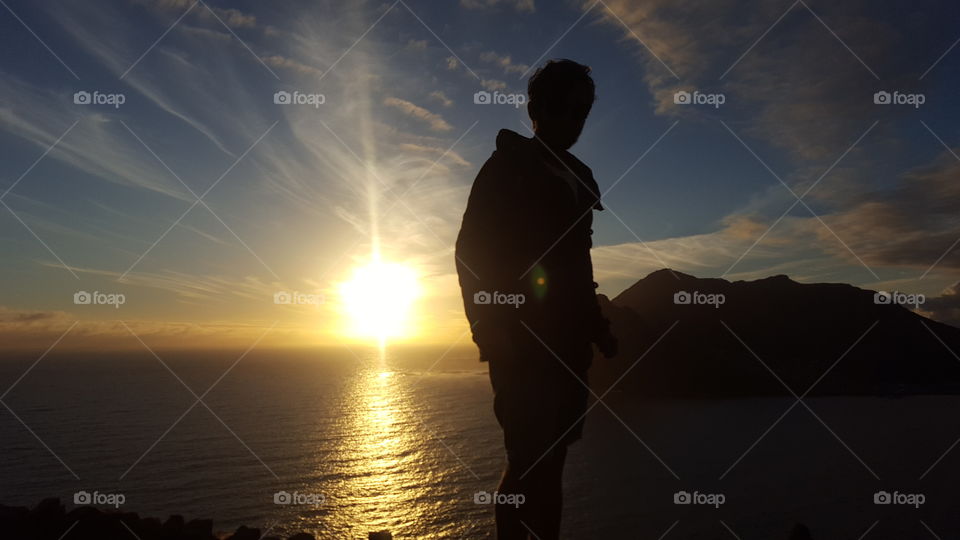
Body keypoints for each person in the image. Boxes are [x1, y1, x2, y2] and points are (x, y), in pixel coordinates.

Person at [455, 59, 618, 540]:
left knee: (554, 461)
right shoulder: (506, 167)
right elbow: (470, 252)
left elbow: (577, 266)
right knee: (527, 463)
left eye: (583, 110)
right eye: (566, 108)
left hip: (568, 345)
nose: (575, 120)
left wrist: (597, 326)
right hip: (522, 343)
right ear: (536, 109)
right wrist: (488, 327)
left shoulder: (578, 174)